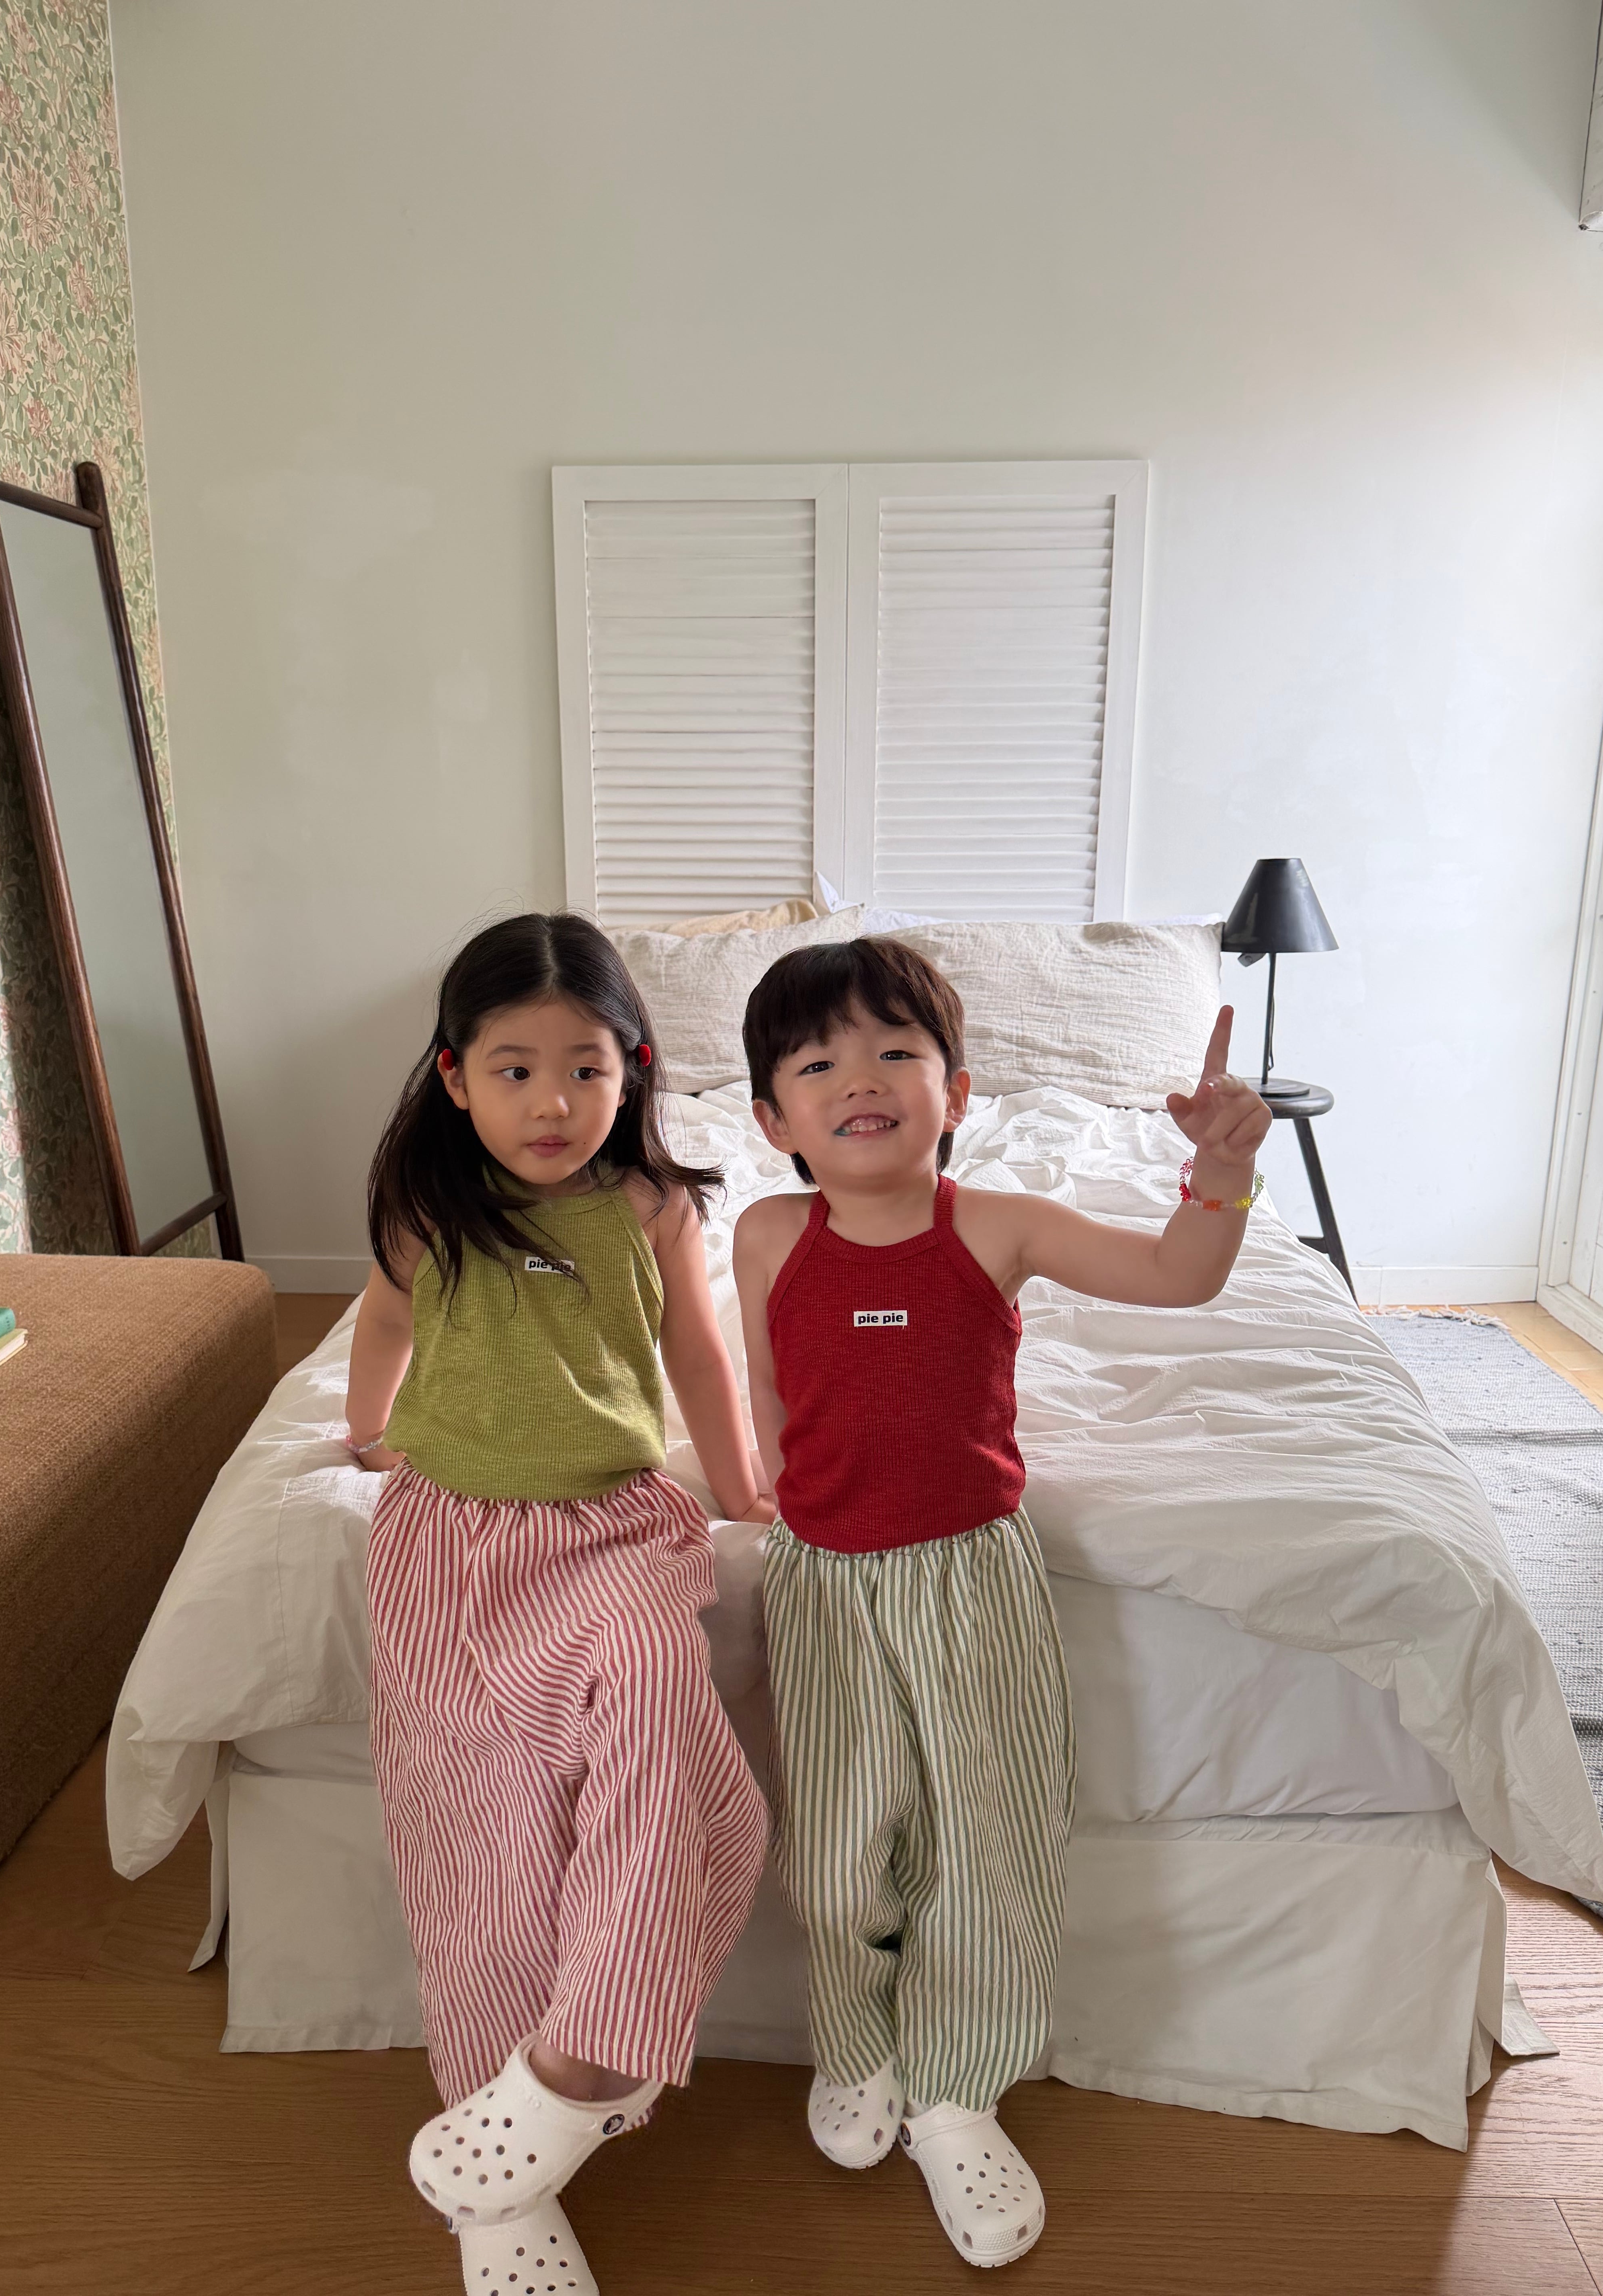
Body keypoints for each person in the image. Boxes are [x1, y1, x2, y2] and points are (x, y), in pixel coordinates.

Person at [732, 935, 1270, 2269]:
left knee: (988, 1839)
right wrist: (775, 1504)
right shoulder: (766, 1234)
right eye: (818, 1063)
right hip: (824, 1586)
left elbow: (1177, 1275)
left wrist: (1218, 1172)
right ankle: (855, 2046)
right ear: (772, 1119)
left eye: (894, 1051)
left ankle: (957, 2090)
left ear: (957, 1093)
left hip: (969, 1578)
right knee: (838, 1847)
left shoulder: (997, 1225)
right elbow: (772, 1390)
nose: (860, 1079)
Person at [347, 911, 771, 2296]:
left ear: (631, 1070)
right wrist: (367, 1432)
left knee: (655, 1689)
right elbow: (385, 1322)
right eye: (514, 1071)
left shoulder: (651, 1206)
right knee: (482, 1823)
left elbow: (699, 1357)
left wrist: (742, 1491)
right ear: (455, 1076)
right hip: (455, 1541)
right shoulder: (432, 1204)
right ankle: (506, 2181)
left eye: (585, 1069)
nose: (552, 1103)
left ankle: (575, 2070)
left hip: (613, 1528)